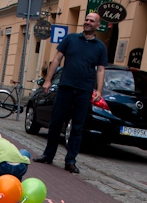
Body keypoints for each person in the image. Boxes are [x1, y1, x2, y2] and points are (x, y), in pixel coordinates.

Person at [32, 13, 108, 173]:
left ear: (97, 25)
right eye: (86, 19)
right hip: (66, 86)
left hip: (84, 90)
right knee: (56, 122)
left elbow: (100, 70)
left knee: (77, 126)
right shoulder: (71, 39)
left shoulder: (100, 47)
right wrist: (48, 80)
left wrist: (99, 91)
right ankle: (48, 155)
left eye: (91, 21)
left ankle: (70, 161)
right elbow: (57, 59)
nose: (87, 22)